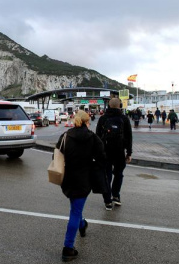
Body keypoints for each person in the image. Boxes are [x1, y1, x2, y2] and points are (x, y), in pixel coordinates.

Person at [55, 110, 106, 261]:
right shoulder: (93, 138)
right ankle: (68, 248)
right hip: (84, 179)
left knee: (76, 208)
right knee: (75, 212)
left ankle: (82, 225)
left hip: (68, 179)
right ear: (86, 122)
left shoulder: (65, 136)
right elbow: (102, 158)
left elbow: (56, 155)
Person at [96, 98, 133, 211]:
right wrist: (129, 152)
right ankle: (116, 195)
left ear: (109, 106)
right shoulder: (124, 118)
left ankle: (107, 201)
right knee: (119, 173)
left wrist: (97, 153)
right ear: (119, 106)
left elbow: (97, 136)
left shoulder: (103, 118)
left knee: (107, 176)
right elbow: (129, 137)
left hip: (105, 152)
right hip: (119, 152)